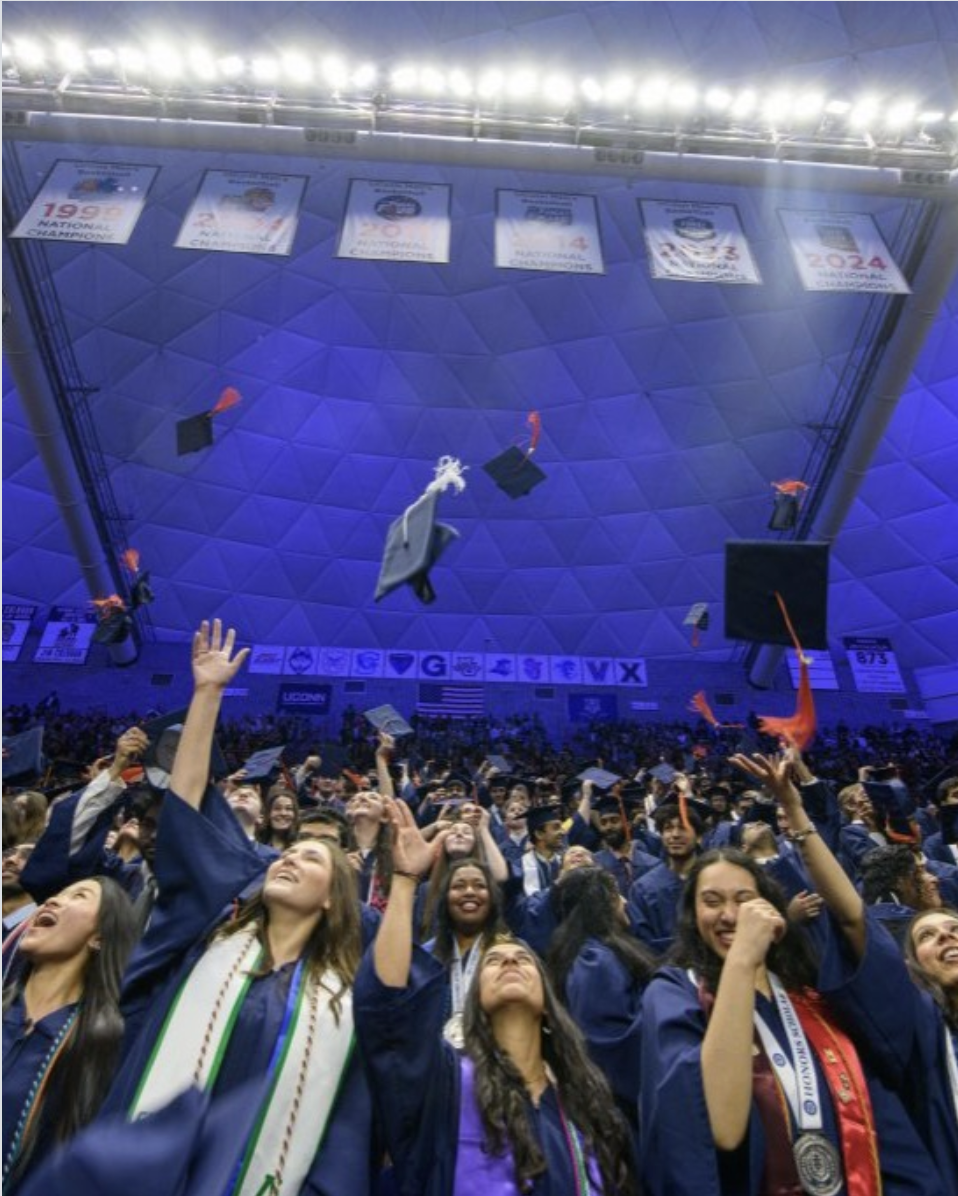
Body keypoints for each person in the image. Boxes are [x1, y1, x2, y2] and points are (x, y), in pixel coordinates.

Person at [25, 620, 376, 1196]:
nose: (286, 862)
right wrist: (207, 695)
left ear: (338, 896)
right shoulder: (205, 932)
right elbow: (186, 812)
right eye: (286, 857)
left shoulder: (340, 999)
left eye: (313, 860)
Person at [354, 796, 638, 1196]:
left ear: (548, 1001)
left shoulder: (586, 1098)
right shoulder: (443, 1083)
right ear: (474, 1000)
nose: (508, 961)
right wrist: (403, 881)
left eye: (522, 958)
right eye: (494, 962)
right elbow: (385, 1011)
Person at [639, 834, 942, 1195]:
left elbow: (853, 922)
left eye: (744, 899)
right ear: (692, 914)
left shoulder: (807, 993)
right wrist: (743, 959)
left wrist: (798, 816)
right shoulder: (676, 994)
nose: (730, 915)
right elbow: (721, 1128)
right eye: (711, 901)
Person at [735, 752, 958, 1195]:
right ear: (910, 963)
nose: (948, 939)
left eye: (954, 929)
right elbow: (854, 919)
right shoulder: (922, 1026)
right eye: (929, 936)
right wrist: (796, 813)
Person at [2, 875, 137, 1192]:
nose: (51, 900)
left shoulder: (104, 1044)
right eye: (56, 893)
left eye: (79, 896)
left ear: (100, 936)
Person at [547, 866, 656, 1137]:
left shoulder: (592, 954)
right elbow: (612, 1046)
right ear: (602, 903)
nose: (626, 902)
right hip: (623, 1113)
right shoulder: (594, 962)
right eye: (618, 895)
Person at [257, 788, 300, 852]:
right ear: (268, 813)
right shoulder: (256, 843)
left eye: (288, 809)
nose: (283, 813)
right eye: (277, 808)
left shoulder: (302, 844)